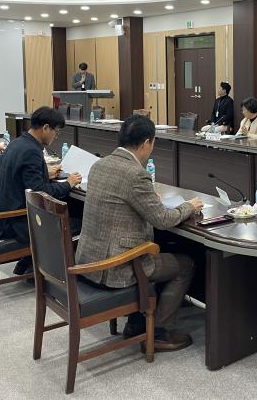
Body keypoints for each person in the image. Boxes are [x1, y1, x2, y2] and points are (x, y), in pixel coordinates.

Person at [75, 114, 203, 351]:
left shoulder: (99, 165)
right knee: (186, 264)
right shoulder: (136, 174)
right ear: (146, 143)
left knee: (162, 249)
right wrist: (189, 206)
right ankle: (159, 332)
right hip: (117, 268)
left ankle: (136, 323)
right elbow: (163, 220)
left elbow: (120, 203)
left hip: (89, 259)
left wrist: (150, 199)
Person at [0, 106, 82, 274]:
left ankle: (28, 265)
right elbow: (39, 194)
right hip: (17, 223)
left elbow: (22, 177)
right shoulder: (31, 151)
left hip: (5, 216)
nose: (56, 136)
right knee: (78, 221)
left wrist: (45, 173)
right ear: (46, 128)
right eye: (56, 132)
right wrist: (68, 183)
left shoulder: (18, 143)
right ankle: (52, 271)